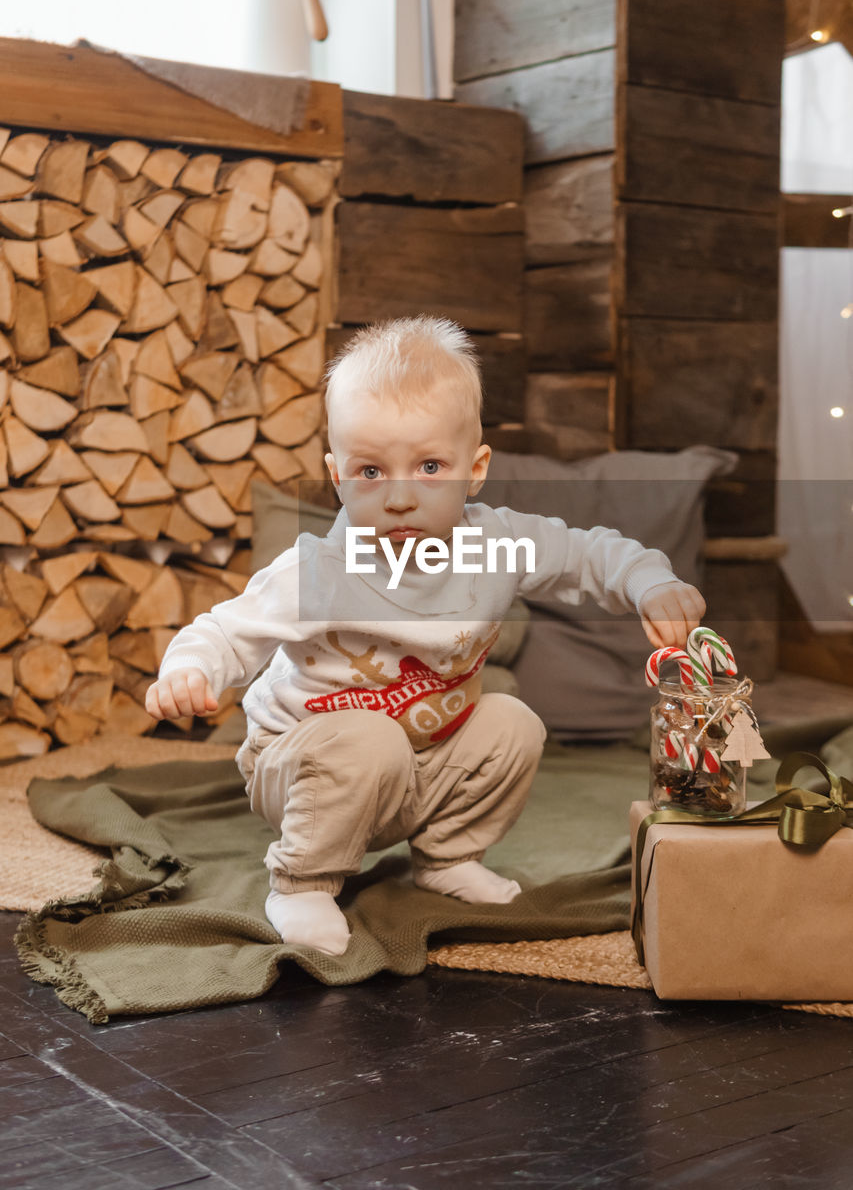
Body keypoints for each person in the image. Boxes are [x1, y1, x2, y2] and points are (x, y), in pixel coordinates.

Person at [146, 316, 705, 955]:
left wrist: (648, 581)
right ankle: (300, 883)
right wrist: (189, 670)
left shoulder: (495, 543)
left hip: (421, 759)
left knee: (512, 721)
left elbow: (587, 553)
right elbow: (226, 630)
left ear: (476, 469)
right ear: (336, 476)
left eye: (430, 466)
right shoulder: (319, 570)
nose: (401, 497)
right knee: (369, 739)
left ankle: (447, 857)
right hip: (300, 765)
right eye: (370, 472)